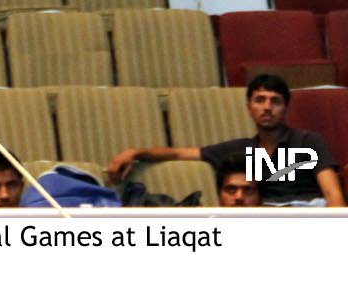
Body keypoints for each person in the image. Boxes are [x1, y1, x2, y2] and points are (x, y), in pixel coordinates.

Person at [105, 74, 344, 206]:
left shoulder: (308, 142)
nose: (267, 108)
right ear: (249, 107)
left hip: (309, 215)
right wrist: (134, 152)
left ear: (285, 108)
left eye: (275, 101)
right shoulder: (240, 150)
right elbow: (178, 153)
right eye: (260, 100)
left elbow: (333, 195)